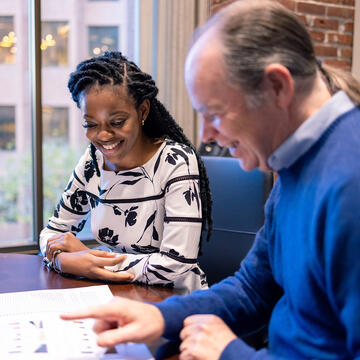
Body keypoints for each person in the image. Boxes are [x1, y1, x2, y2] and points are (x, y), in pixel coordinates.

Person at [61, 1, 360, 359]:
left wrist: (230, 353)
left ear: (277, 87)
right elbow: (254, 288)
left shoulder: (349, 185)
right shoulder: (296, 163)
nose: (207, 136)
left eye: (214, 114)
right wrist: (159, 315)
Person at [40, 51, 212, 293]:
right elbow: (53, 232)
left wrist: (88, 259)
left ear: (142, 112)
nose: (102, 136)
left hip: (176, 301)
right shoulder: (93, 163)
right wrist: (59, 259)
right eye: (90, 124)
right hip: (118, 295)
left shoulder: (176, 161)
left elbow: (176, 263)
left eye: (117, 122)